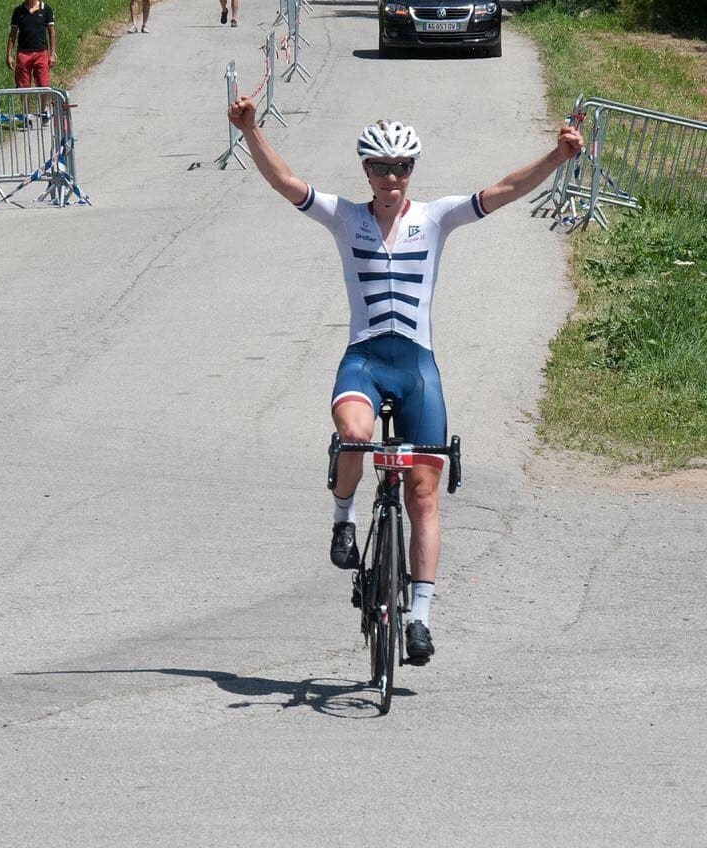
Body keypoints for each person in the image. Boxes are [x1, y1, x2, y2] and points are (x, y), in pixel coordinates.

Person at [226, 96, 582, 663]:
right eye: (380, 167)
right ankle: (343, 518)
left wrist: (555, 158)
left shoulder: (435, 218)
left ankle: (419, 617)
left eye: (401, 168)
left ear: (412, 171)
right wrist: (250, 130)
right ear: (365, 171)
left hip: (417, 367)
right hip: (365, 361)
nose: (391, 178)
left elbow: (504, 190)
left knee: (422, 496)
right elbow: (286, 181)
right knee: (356, 435)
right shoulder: (346, 216)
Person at [8, 0, 57, 114]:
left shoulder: (46, 9)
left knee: (43, 83)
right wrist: (9, 55)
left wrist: (53, 53)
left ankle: (44, 109)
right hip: (23, 53)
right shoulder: (18, 11)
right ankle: (26, 114)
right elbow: (12, 34)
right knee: (23, 86)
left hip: (41, 53)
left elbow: (52, 32)